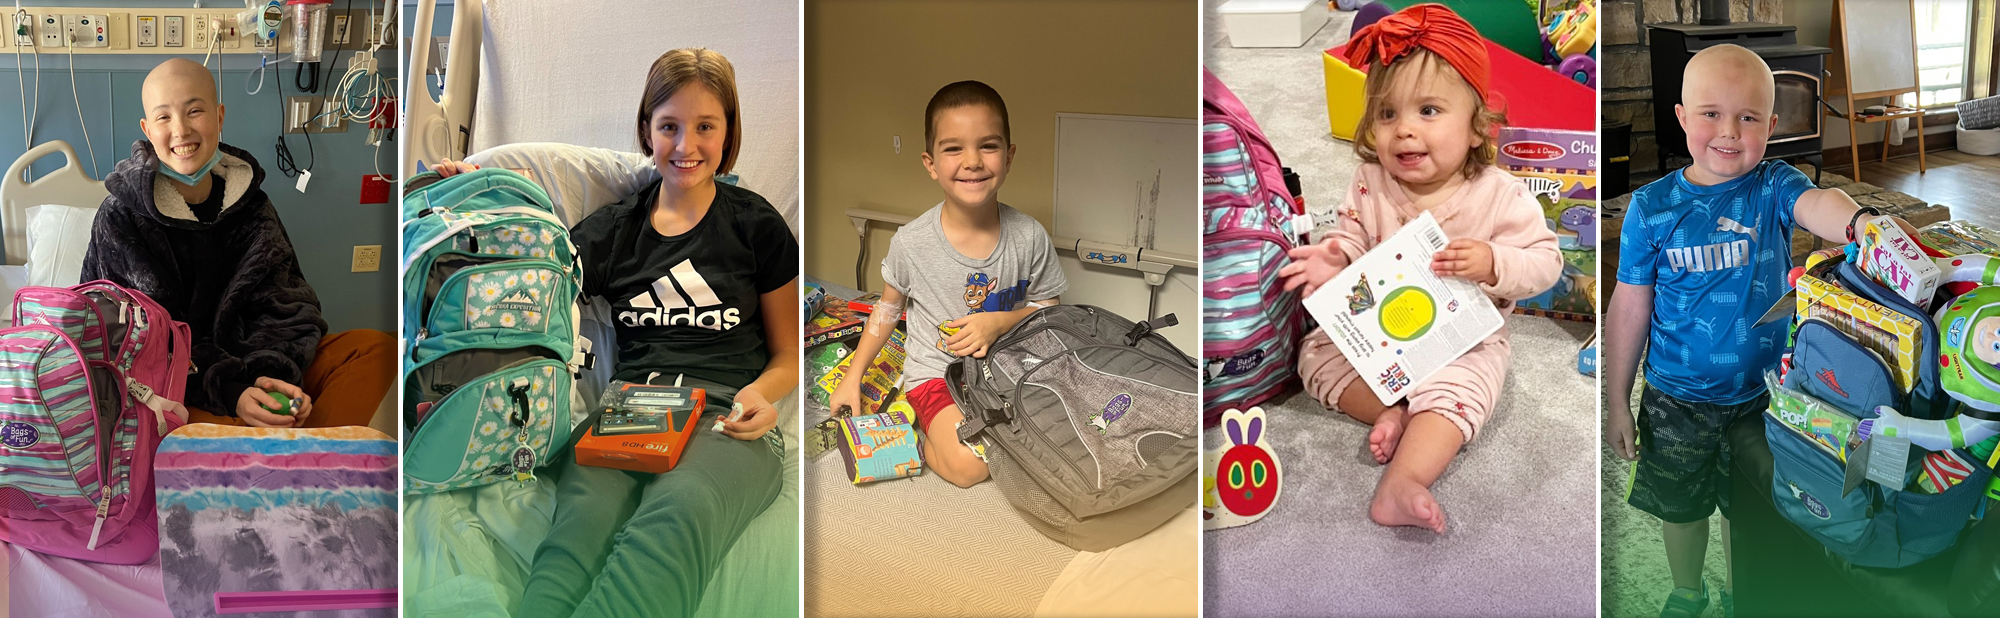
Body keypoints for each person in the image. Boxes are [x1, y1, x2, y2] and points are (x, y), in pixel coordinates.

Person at [434, 47, 797, 617]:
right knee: (575, 536)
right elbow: (525, 274)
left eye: (706, 127)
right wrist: (474, 193)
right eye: (669, 126)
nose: (686, 146)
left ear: (729, 134)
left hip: (726, 411)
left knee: (679, 515)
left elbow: (788, 354)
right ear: (647, 131)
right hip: (633, 408)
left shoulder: (757, 225)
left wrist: (763, 395)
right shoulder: (613, 231)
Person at [1602, 44, 1917, 618]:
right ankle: (1687, 590)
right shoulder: (1651, 208)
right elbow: (1629, 307)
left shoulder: (1772, 184)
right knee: (1682, 508)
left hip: (1769, 395)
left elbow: (1819, 203)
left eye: (1748, 117)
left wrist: (1859, 223)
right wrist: (1617, 401)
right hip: (1677, 398)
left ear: (1771, 125)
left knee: (1752, 505)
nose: (1728, 130)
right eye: (1710, 114)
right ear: (1681, 118)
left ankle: (1742, 589)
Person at [1279, 5, 1562, 534]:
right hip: (1377, 330)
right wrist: (1333, 256)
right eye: (1387, 114)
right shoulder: (1370, 181)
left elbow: (1546, 264)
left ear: (1478, 126)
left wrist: (1494, 261)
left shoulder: (1500, 194)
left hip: (1461, 339)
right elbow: (1351, 235)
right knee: (1313, 356)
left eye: (1428, 111)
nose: (1404, 130)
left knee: (1464, 388)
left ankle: (1403, 481)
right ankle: (1390, 414)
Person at [81, 57, 393, 429]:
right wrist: (229, 390)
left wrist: (271, 376)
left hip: (256, 363)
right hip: (175, 385)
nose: (180, 130)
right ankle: (286, 453)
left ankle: (301, 456)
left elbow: (287, 303)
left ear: (219, 116)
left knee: (376, 351)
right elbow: (130, 342)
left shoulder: (250, 206)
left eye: (194, 110)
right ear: (148, 129)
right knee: (196, 427)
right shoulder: (121, 218)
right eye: (164, 117)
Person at [828, 80, 1068, 488]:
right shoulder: (911, 242)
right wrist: (853, 376)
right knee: (970, 466)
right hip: (939, 374)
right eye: (953, 148)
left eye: (988, 146)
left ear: (1009, 157)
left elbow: (1052, 308)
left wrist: (1001, 322)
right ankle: (922, 433)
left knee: (1067, 437)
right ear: (931, 163)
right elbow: (887, 310)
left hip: (1008, 370)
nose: (972, 161)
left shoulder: (1029, 236)